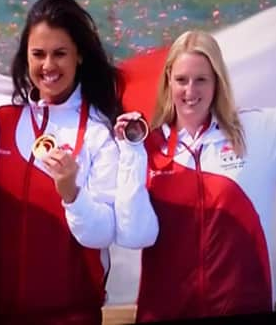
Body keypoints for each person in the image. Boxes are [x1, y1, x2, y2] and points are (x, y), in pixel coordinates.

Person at [113, 30, 276, 322]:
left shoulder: (259, 130)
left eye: (201, 79)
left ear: (217, 82)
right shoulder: (145, 148)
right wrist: (129, 154)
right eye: (181, 80)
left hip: (245, 306)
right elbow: (132, 234)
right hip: (166, 312)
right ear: (168, 82)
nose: (190, 91)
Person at [0, 0, 123, 324]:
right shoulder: (2, 117)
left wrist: (71, 193)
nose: (48, 66)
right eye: (38, 54)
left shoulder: (99, 132)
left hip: (72, 314)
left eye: (60, 53)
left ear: (80, 56)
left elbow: (103, 233)